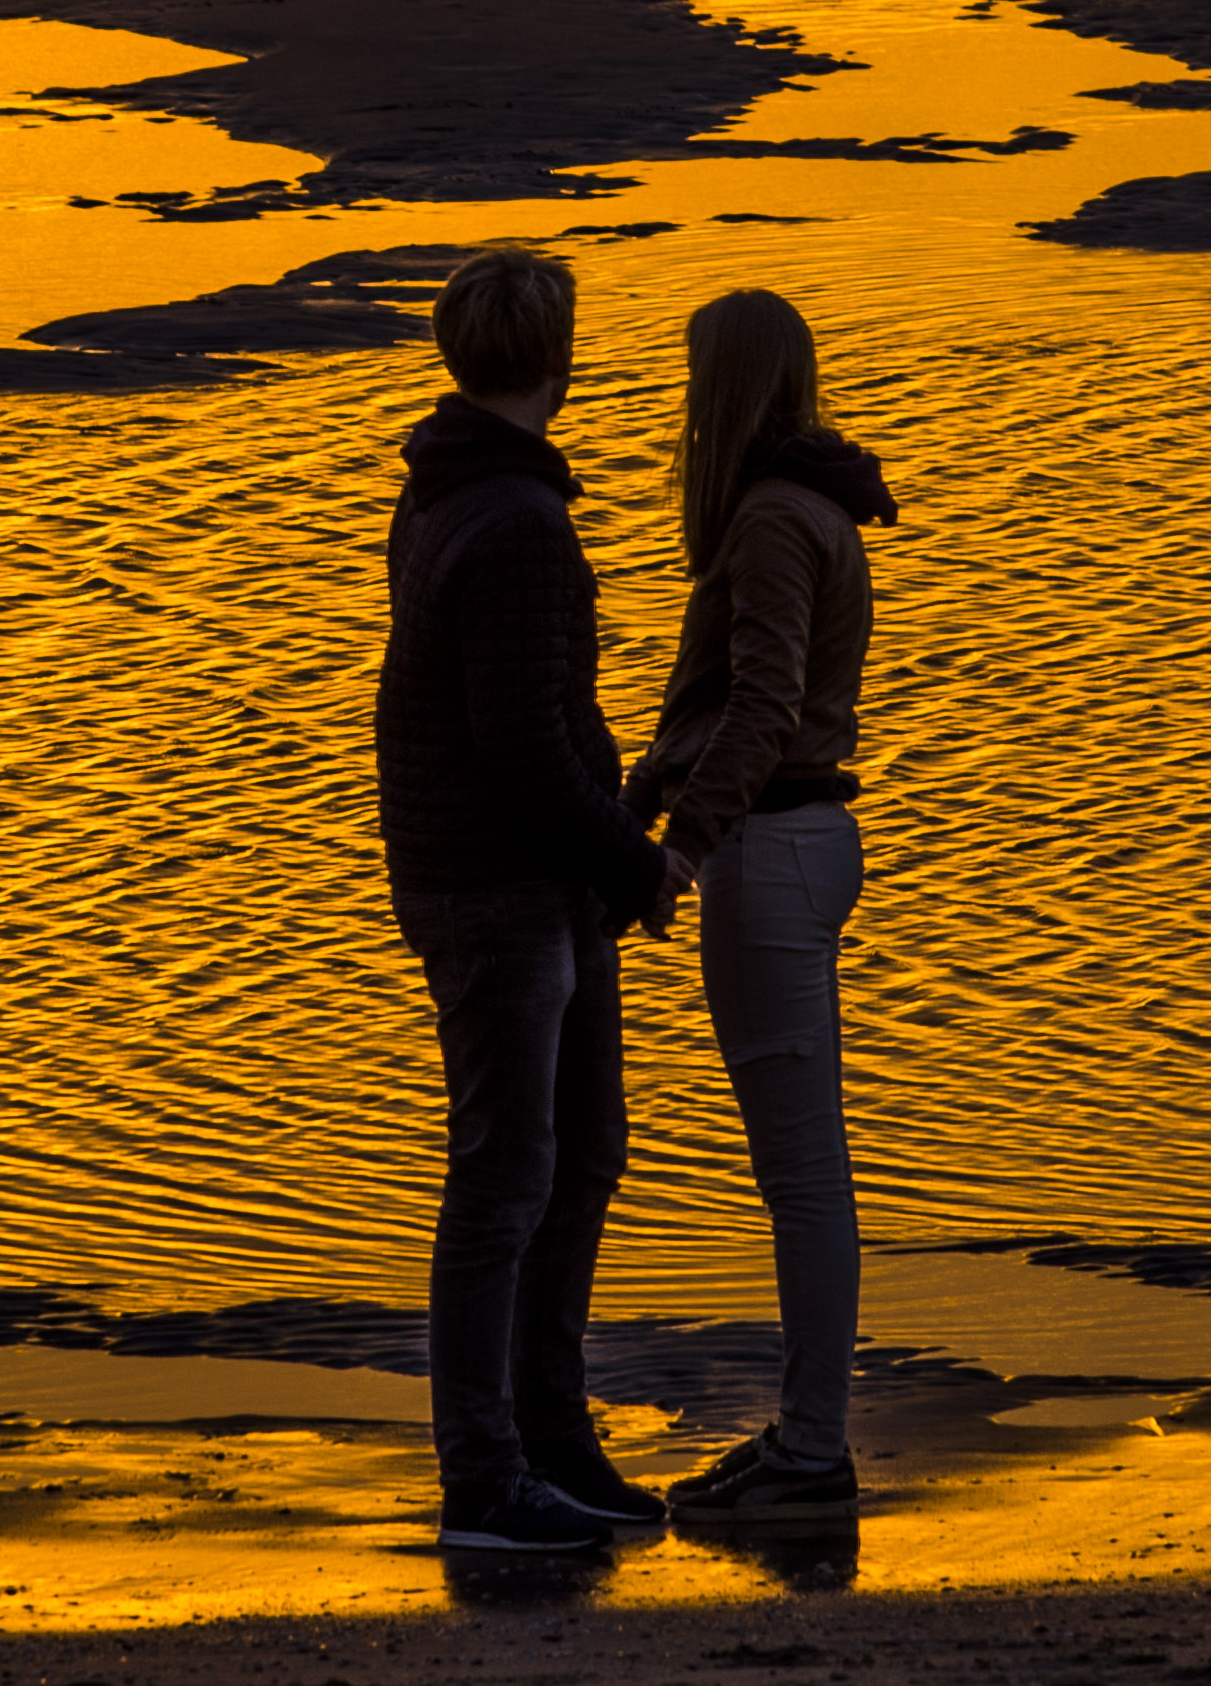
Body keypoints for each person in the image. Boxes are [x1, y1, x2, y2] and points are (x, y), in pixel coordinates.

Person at [375, 243, 682, 1556]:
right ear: (559, 360)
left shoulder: (457, 496)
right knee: (507, 1174)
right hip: (500, 887)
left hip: (516, 880)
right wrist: (637, 857)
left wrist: (602, 858)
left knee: (582, 1155)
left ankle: (552, 1436)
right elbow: (524, 742)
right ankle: (484, 1475)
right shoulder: (514, 524)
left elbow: (528, 730)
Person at [628, 287, 889, 1523]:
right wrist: (638, 799)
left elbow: (765, 699)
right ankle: (802, 1434)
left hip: (774, 850)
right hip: (794, 842)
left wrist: (683, 843)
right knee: (804, 1166)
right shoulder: (795, 504)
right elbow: (717, 699)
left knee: (799, 1172)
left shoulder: (778, 519)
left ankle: (811, 1446)